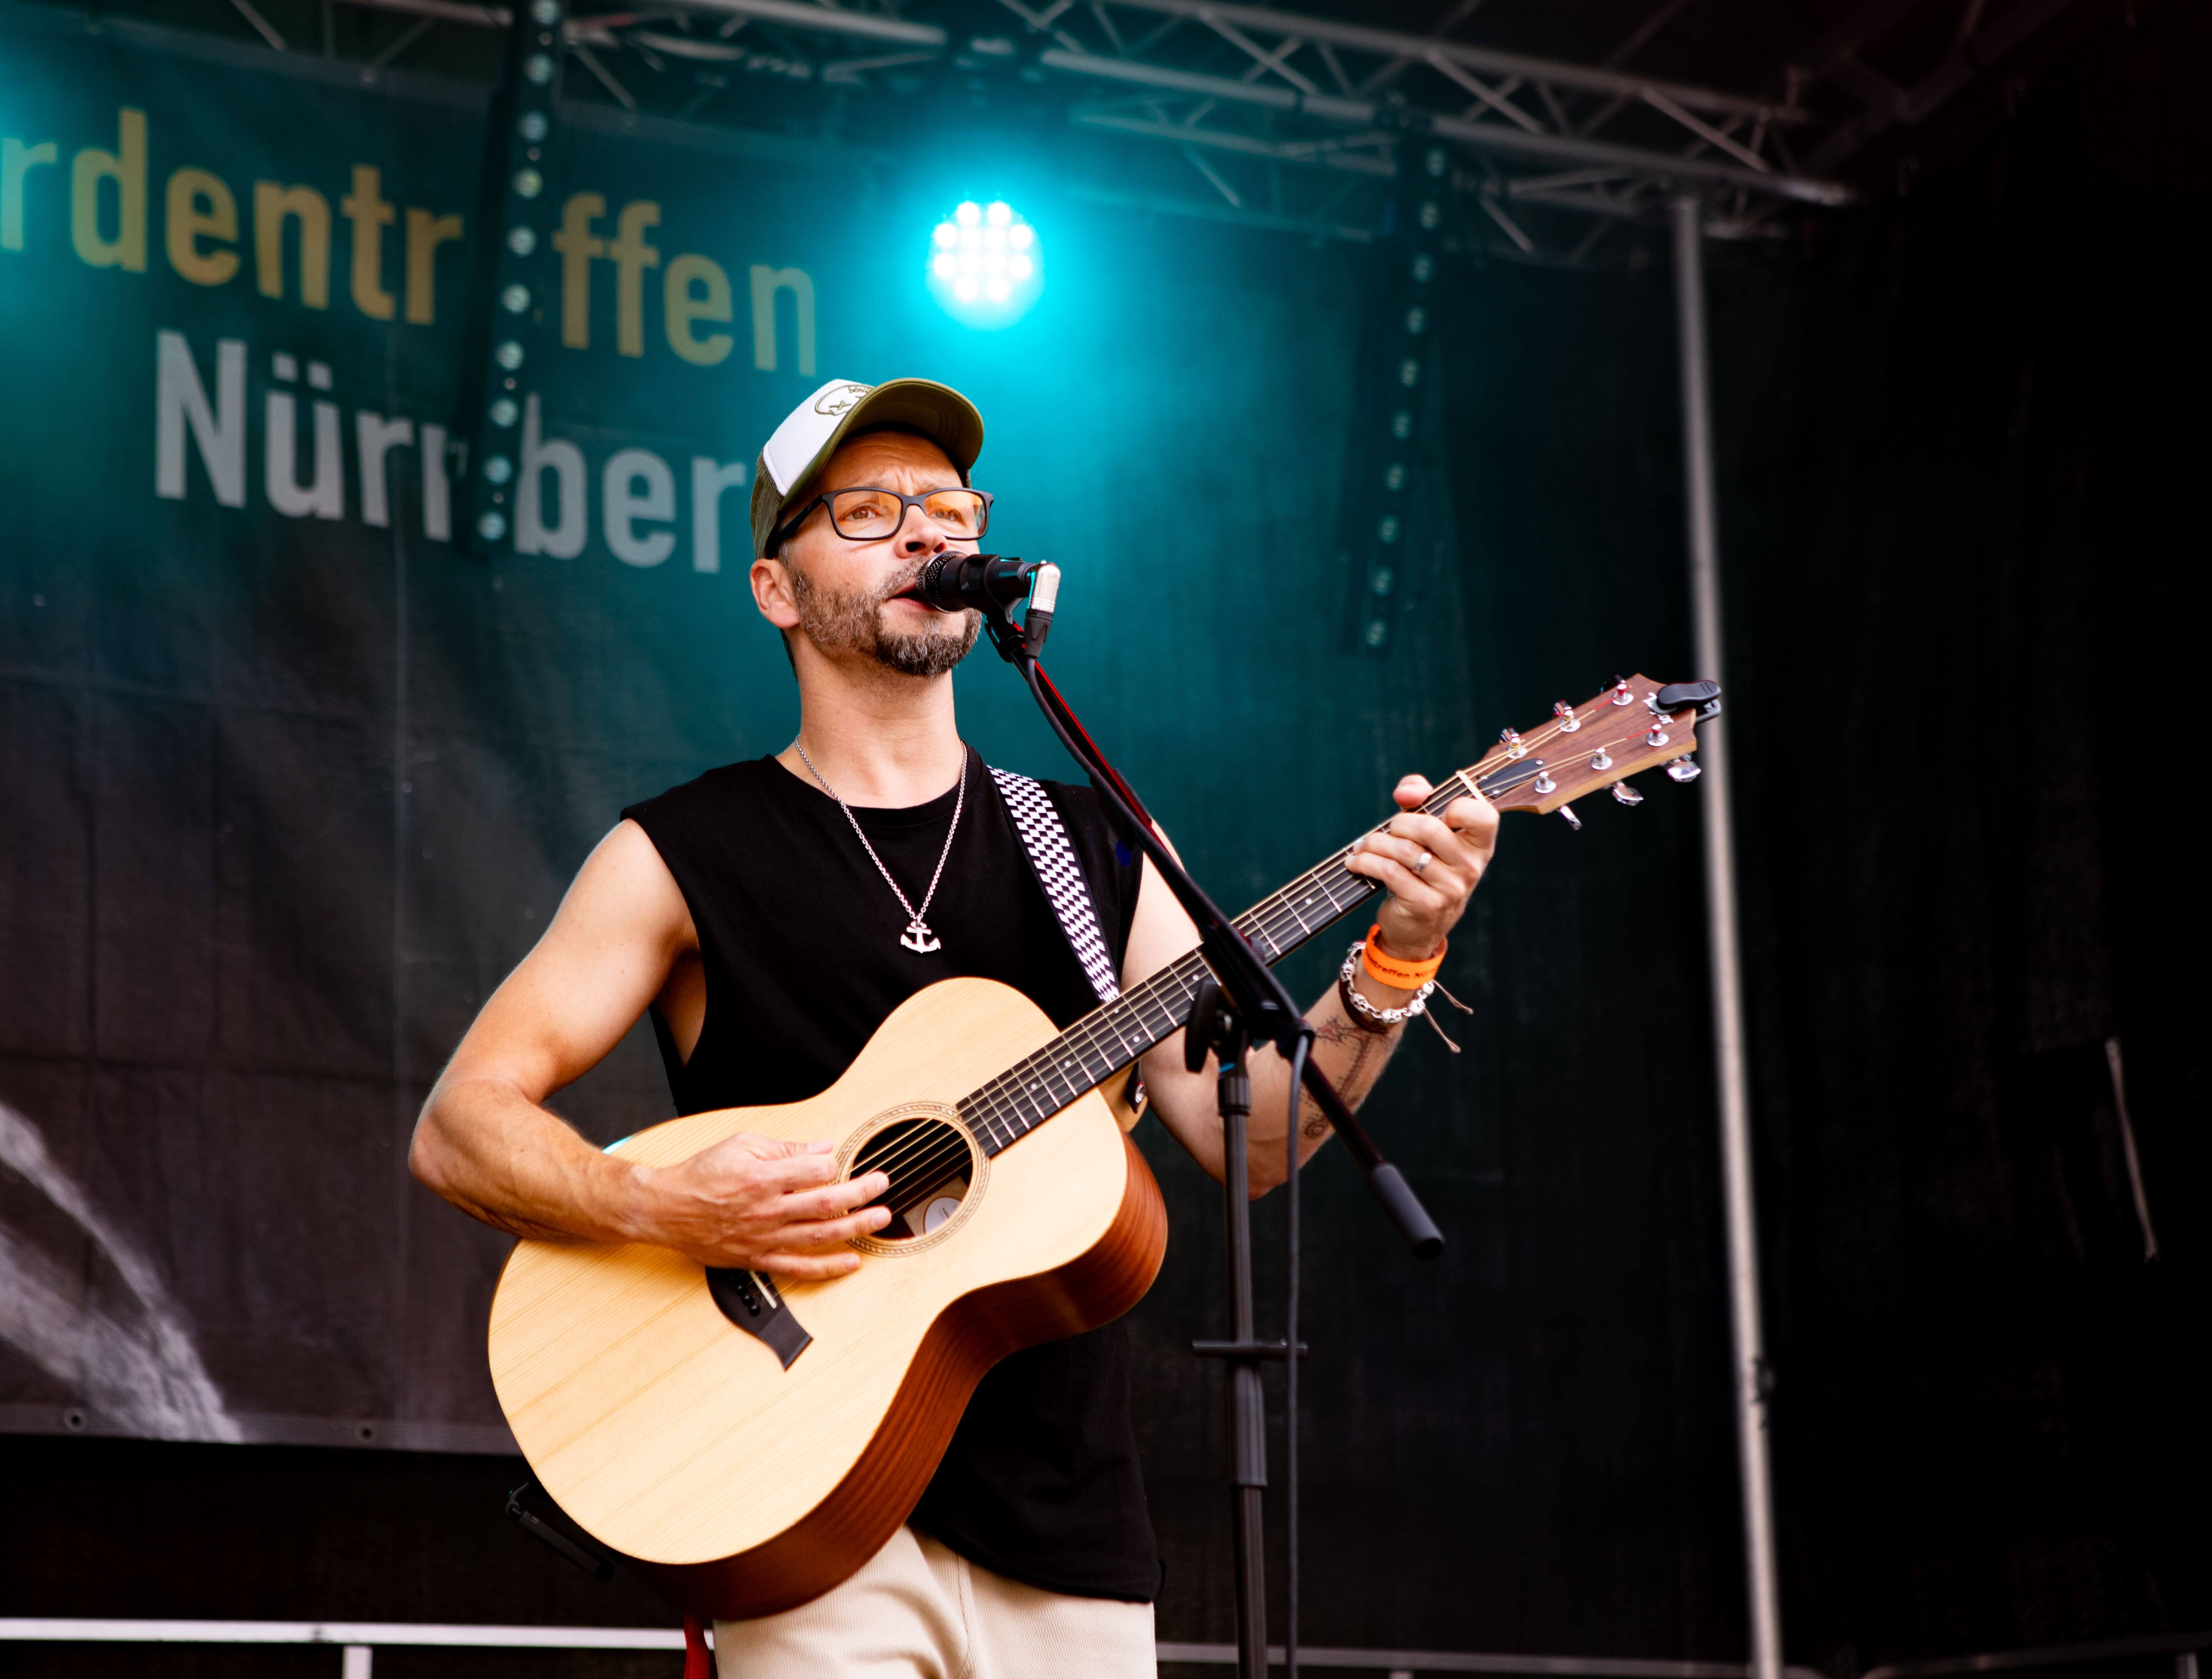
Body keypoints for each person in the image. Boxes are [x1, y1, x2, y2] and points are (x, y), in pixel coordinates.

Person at [408, 376, 1501, 1678]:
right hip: (796, 1502)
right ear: (776, 589)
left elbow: (1255, 1141)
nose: (925, 532)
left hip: (1070, 1529)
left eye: (948, 505)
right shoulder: (679, 851)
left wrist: (1399, 952)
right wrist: (664, 1208)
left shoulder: (1089, 839)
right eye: (868, 511)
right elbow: (460, 1127)